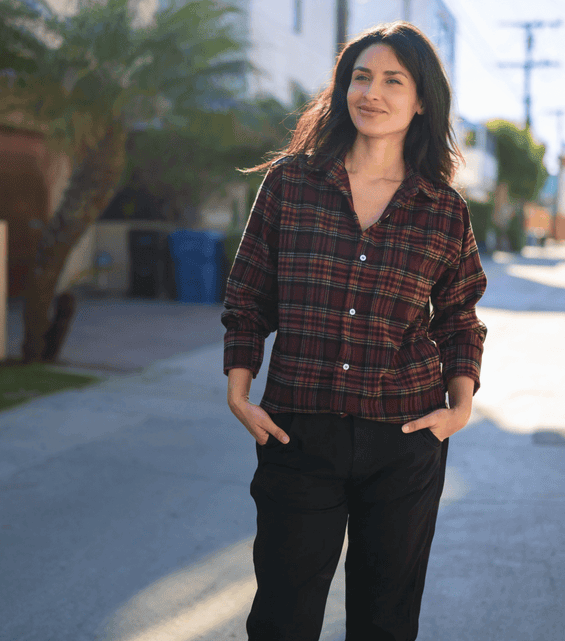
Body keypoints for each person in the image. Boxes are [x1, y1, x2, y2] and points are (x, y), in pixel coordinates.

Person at [221, 22, 487, 641]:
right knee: (283, 616)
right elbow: (248, 293)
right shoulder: (290, 184)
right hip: (298, 431)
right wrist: (239, 391)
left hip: (405, 436)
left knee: (386, 619)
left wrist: (460, 408)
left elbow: (458, 314)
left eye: (393, 80)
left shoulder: (442, 208)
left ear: (421, 100)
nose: (372, 92)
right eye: (360, 77)